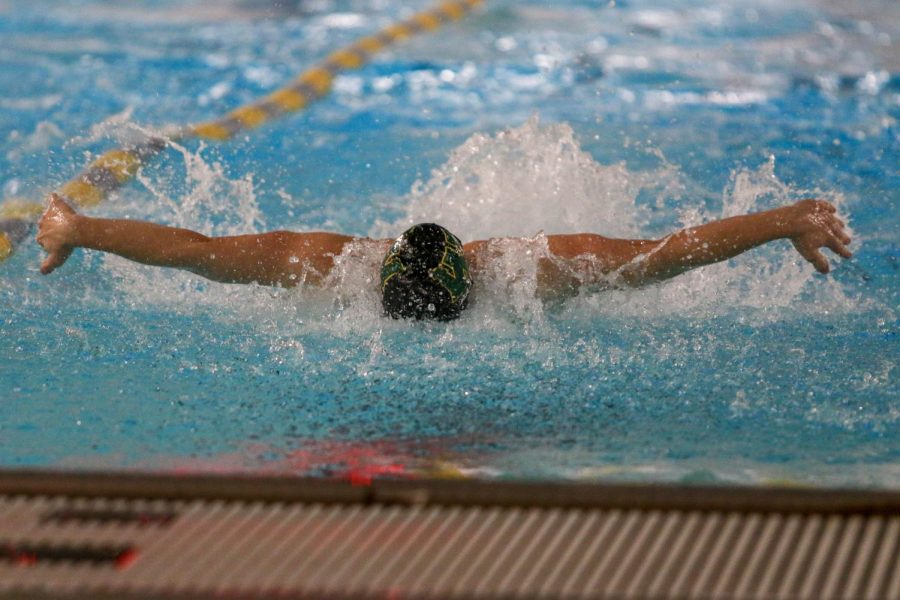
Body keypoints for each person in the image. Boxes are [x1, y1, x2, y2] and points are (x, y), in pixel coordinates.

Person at [36, 193, 851, 321]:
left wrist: (80, 228)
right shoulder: (331, 264)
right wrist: (783, 219)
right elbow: (667, 255)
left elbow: (195, 252)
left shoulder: (533, 268)